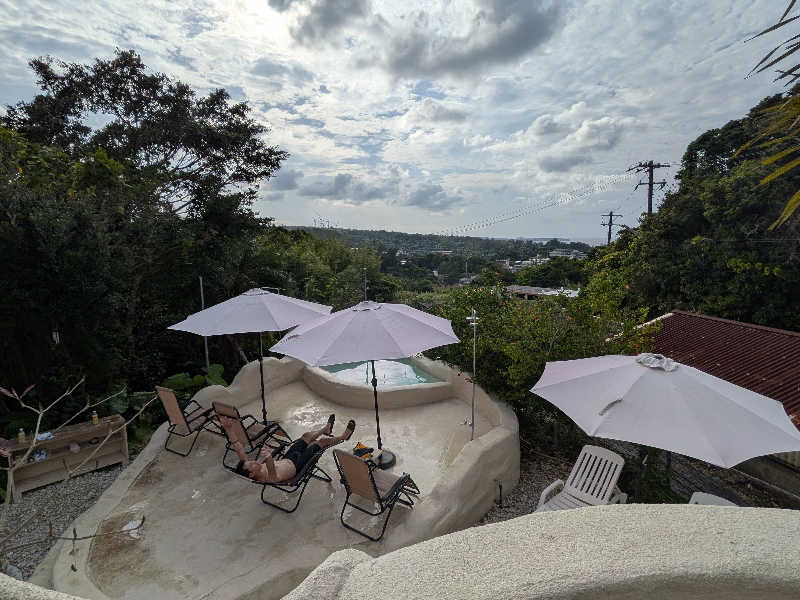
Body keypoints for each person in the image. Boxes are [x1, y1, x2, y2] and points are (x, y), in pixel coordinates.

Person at [221, 414, 355, 484]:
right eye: (252, 465)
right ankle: (344, 436)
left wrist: (229, 429)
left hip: (288, 458)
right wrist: (269, 458)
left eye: (250, 462)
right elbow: (273, 472)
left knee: (306, 436)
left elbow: (238, 447)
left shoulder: (251, 468)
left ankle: (326, 429)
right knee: (320, 443)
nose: (254, 462)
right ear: (252, 474)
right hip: (297, 466)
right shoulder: (266, 478)